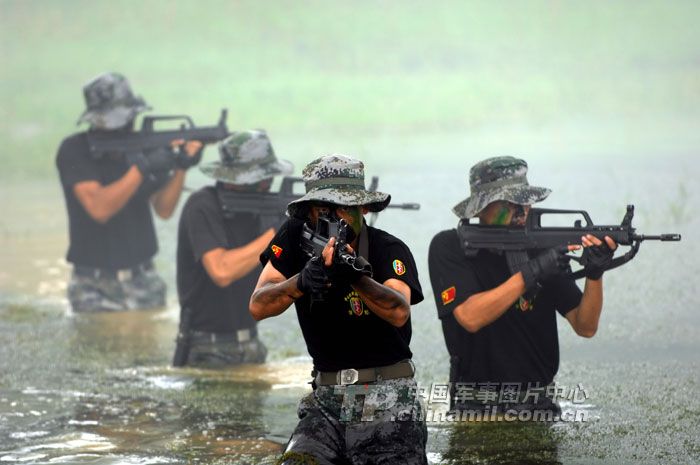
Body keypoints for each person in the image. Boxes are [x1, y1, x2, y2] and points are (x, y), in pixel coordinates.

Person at [249, 155, 428, 464]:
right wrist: (301, 281)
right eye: (323, 209)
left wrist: (356, 276)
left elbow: (398, 310)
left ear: (364, 209)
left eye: (344, 207)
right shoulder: (295, 235)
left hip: (388, 397)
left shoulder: (389, 249)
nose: (335, 220)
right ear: (308, 212)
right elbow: (259, 305)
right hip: (326, 401)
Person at [428, 156, 617, 415]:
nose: (521, 209)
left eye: (524, 200)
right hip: (475, 406)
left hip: (538, 404)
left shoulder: (542, 248)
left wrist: (595, 274)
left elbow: (585, 326)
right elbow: (470, 316)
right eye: (508, 202)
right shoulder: (450, 247)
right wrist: (534, 271)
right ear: (481, 207)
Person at [56, 72, 202, 312]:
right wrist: (142, 168)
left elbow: (164, 209)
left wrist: (180, 166)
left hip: (143, 276)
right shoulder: (76, 150)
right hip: (93, 283)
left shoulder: (142, 147)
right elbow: (100, 209)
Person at [173, 130, 293, 368]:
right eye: (261, 179)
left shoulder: (262, 211)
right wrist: (275, 233)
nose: (267, 184)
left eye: (269, 178)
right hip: (207, 348)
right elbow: (221, 271)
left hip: (251, 343)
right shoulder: (203, 205)